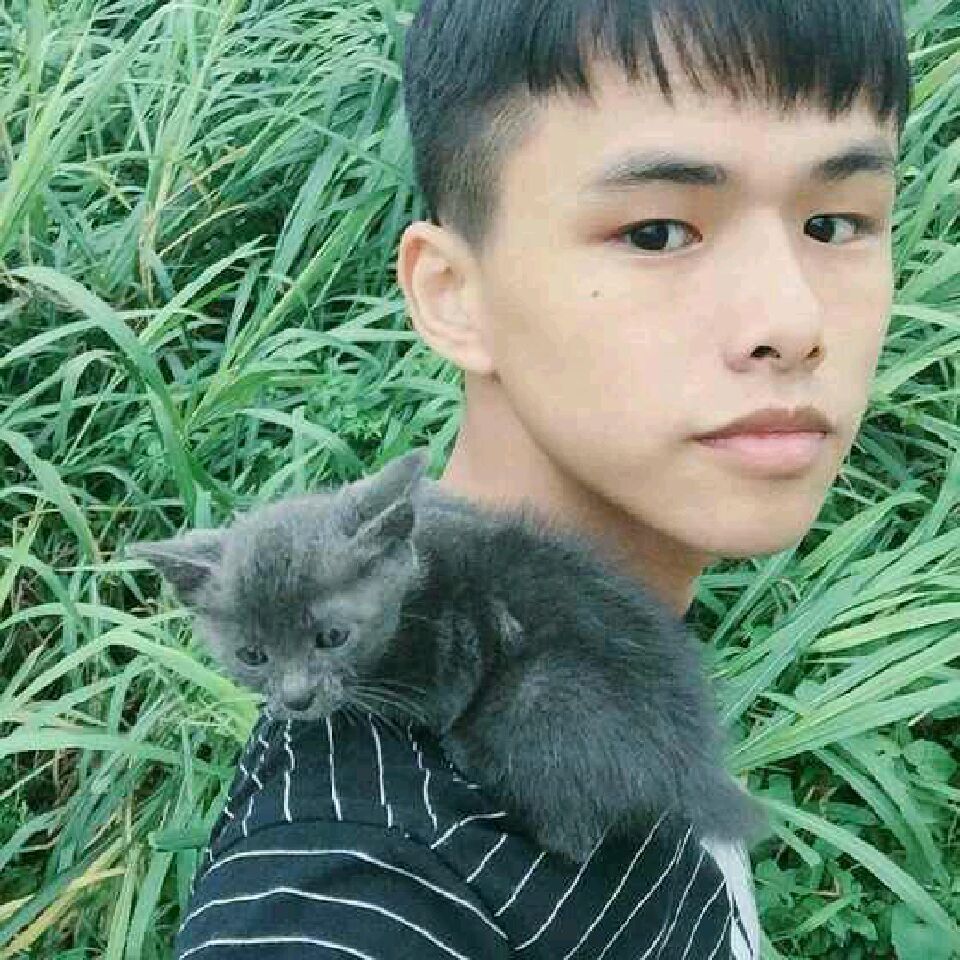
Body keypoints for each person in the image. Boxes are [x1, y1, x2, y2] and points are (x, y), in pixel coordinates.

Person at [173, 0, 912, 957]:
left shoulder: (599, 638)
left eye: (835, 222)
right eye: (657, 232)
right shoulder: (356, 880)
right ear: (452, 295)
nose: (793, 320)